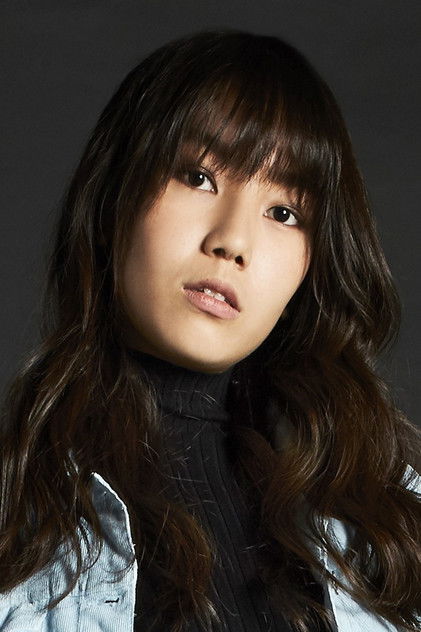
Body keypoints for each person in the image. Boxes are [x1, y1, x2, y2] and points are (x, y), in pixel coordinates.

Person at [0, 30, 420, 632]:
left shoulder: (386, 528)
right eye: (199, 177)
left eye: (284, 213)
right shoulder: (20, 521)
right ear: (115, 195)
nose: (233, 241)